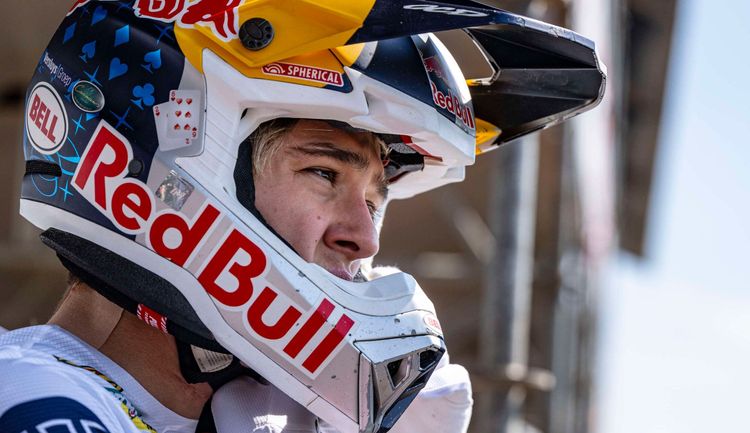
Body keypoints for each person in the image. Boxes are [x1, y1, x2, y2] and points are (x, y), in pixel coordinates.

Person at [0, 1, 605, 433]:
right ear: (163, 159)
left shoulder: (244, 415)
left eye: (375, 200)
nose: (364, 238)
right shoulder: (31, 397)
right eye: (324, 174)